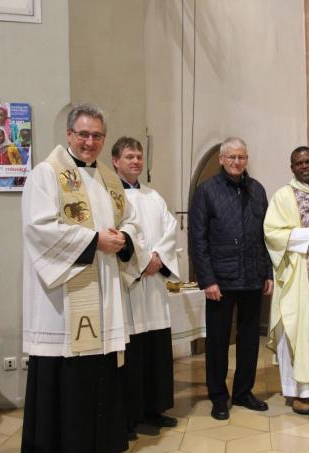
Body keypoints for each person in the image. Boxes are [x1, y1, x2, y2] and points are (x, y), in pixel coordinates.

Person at [20, 103, 148, 452]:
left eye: (97, 136)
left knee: (100, 374)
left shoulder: (108, 180)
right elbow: (38, 228)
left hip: (104, 297)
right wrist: (94, 241)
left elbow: (132, 220)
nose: (90, 142)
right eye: (83, 134)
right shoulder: (46, 175)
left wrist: (124, 239)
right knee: (67, 378)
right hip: (63, 305)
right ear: (69, 135)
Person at [188, 136, 274, 420]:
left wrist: (267, 272)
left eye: (242, 157)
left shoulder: (257, 190)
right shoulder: (206, 191)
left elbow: (266, 236)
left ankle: (243, 392)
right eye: (232, 157)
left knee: (250, 339)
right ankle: (218, 396)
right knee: (218, 341)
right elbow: (197, 240)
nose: (237, 162)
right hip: (220, 282)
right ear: (222, 160)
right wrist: (207, 279)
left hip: (252, 278)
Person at [111, 136, 180, 435]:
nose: (136, 161)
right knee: (131, 353)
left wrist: (158, 258)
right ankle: (128, 417)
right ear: (115, 161)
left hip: (154, 286)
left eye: (139, 156)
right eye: (129, 156)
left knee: (156, 350)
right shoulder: (110, 196)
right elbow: (120, 234)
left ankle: (155, 409)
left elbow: (170, 229)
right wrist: (142, 262)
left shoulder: (154, 197)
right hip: (130, 285)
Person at [264, 146, 309, 415]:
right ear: (291, 167)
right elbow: (271, 233)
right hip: (298, 279)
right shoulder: (283, 196)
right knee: (299, 333)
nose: (305, 166)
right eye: (299, 163)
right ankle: (300, 393)